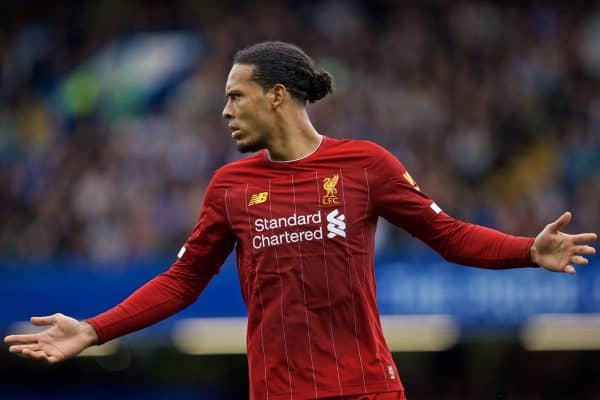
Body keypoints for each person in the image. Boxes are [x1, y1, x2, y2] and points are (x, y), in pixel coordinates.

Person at [4, 41, 597, 400]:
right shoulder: (229, 187)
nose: (224, 110)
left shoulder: (366, 165)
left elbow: (448, 234)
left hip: (367, 388)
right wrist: (94, 329)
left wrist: (527, 250)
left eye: (237, 96)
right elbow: (182, 280)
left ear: (278, 96)